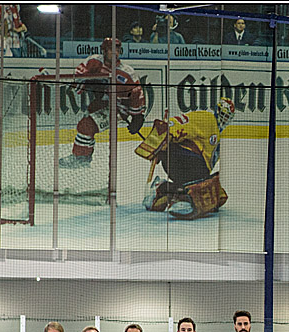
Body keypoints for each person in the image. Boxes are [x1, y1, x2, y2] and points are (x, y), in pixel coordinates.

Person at [136, 97, 234, 220]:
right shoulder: (207, 118)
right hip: (180, 158)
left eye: (228, 117)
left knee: (205, 185)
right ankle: (183, 199)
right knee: (201, 179)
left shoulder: (217, 138)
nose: (225, 119)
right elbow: (181, 121)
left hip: (186, 165)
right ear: (217, 110)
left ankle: (164, 189)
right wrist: (168, 132)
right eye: (224, 115)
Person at [60, 37, 145, 169]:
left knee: (86, 126)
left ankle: (80, 158)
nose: (115, 53)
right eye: (111, 49)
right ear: (104, 51)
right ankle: (84, 157)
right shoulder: (94, 62)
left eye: (117, 50)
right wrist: (90, 82)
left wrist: (137, 116)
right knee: (86, 126)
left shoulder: (127, 73)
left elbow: (137, 93)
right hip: (101, 103)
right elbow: (77, 79)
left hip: (119, 108)